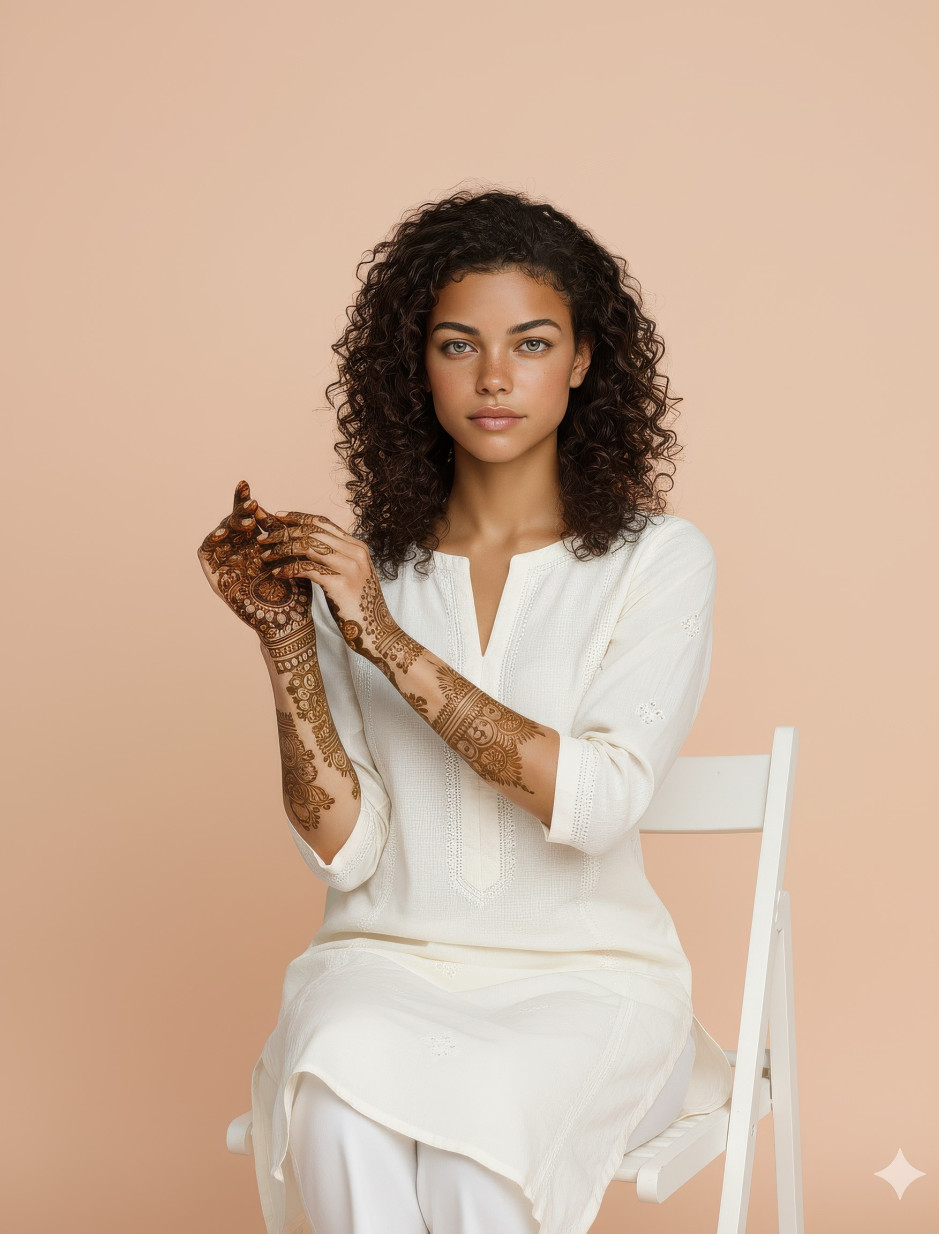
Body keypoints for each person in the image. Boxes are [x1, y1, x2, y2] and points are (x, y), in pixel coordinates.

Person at [197, 188, 734, 1234]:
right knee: (337, 1100)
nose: (494, 377)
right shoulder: (367, 568)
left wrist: (384, 639)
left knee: (474, 1164)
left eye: (531, 342)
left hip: (589, 983)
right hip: (383, 966)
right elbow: (347, 854)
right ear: (418, 365)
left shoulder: (657, 560)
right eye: (458, 344)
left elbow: (597, 799)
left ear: (581, 360)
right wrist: (286, 637)